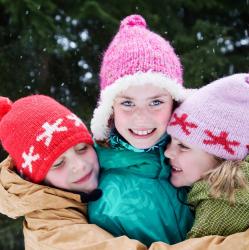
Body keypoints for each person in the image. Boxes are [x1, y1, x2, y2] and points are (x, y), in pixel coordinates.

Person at [88, 14, 193, 246]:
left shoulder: (202, 155)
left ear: (174, 102)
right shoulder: (100, 187)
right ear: (110, 109)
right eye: (127, 103)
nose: (141, 117)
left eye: (156, 102)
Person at [0, 95, 117, 249]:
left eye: (82, 148)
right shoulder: (51, 234)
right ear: (34, 178)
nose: (79, 165)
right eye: (58, 163)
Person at [165, 73, 249, 238]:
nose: (168, 152)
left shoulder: (223, 205)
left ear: (222, 157)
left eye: (183, 146)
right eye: (170, 141)